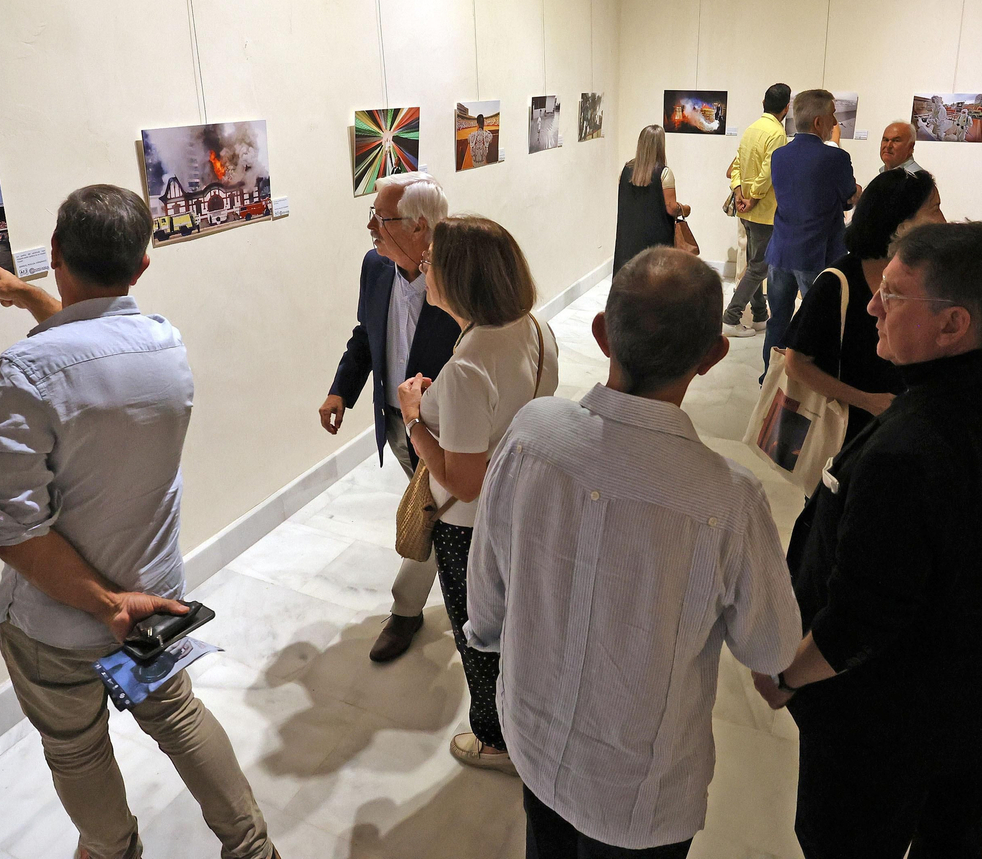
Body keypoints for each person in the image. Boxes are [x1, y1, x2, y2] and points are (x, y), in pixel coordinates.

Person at [0, 185, 279, 859]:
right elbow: (96, 356)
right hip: (155, 599)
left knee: (75, 749)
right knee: (177, 714)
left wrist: (107, 604)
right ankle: (252, 847)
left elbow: (14, 528)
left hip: (61, 620)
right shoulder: (164, 344)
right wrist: (41, 303)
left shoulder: (24, 371)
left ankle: (111, 851)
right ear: (142, 265)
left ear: (55, 254)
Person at [759, 221, 982, 858]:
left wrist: (786, 676)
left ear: (952, 324)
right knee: (952, 833)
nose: (874, 306)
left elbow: (863, 615)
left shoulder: (910, 452)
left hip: (884, 719)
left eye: (893, 294)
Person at [466, 247, 804, 858]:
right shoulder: (729, 501)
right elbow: (772, 648)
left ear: (602, 334)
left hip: (532, 743)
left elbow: (486, 590)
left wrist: (490, 638)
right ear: (713, 356)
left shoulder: (531, 435)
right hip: (641, 794)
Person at [395, 215, 559, 775]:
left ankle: (495, 739)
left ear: (459, 278)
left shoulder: (468, 365)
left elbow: (463, 480)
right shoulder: (533, 328)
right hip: (523, 505)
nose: (424, 270)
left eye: (431, 261)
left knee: (479, 634)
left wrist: (416, 418)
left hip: (470, 524)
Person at [323, 171, 461, 662]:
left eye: (381, 218)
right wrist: (342, 389)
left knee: (436, 515)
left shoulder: (461, 274)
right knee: (436, 514)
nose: (371, 227)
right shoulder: (375, 266)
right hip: (396, 422)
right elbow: (367, 333)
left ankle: (410, 611)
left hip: (448, 426)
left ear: (421, 227)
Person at [781, 168, 943, 459]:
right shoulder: (838, 281)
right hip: (845, 433)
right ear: (899, 223)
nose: (943, 221)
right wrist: (868, 401)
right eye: (934, 209)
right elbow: (796, 362)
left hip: (903, 430)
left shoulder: (924, 277)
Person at [763, 88, 861, 369]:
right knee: (818, 322)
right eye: (832, 115)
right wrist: (857, 192)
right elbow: (846, 199)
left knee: (777, 321)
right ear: (819, 122)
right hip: (815, 254)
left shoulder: (779, 156)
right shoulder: (836, 158)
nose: (835, 122)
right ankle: (813, 378)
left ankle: (769, 377)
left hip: (780, 252)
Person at [723, 84, 791, 338]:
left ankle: (761, 315)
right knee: (759, 268)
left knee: (755, 265)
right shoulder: (777, 134)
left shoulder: (751, 129)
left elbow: (737, 164)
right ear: (786, 108)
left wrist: (739, 192)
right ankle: (731, 317)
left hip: (747, 210)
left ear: (763, 102)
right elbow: (769, 172)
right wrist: (753, 197)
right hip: (763, 211)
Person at [613, 125, 688, 275]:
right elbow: (671, 208)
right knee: (655, 276)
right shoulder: (664, 173)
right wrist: (684, 208)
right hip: (656, 236)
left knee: (629, 276)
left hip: (628, 235)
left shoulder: (626, 170)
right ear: (661, 145)